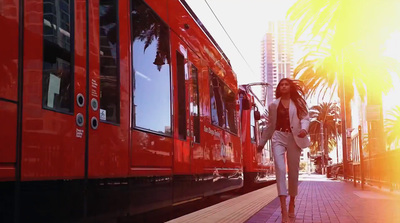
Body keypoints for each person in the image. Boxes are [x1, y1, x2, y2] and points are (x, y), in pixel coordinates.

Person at [258, 78, 310, 223]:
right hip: (278, 137)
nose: (283, 86)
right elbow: (270, 126)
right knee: (280, 169)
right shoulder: (273, 105)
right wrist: (261, 143)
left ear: (290, 87)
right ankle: (283, 209)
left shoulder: (299, 103)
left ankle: (292, 203)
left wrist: (304, 129)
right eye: (281, 85)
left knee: (293, 172)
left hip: (294, 138)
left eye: (286, 84)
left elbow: (305, 118)